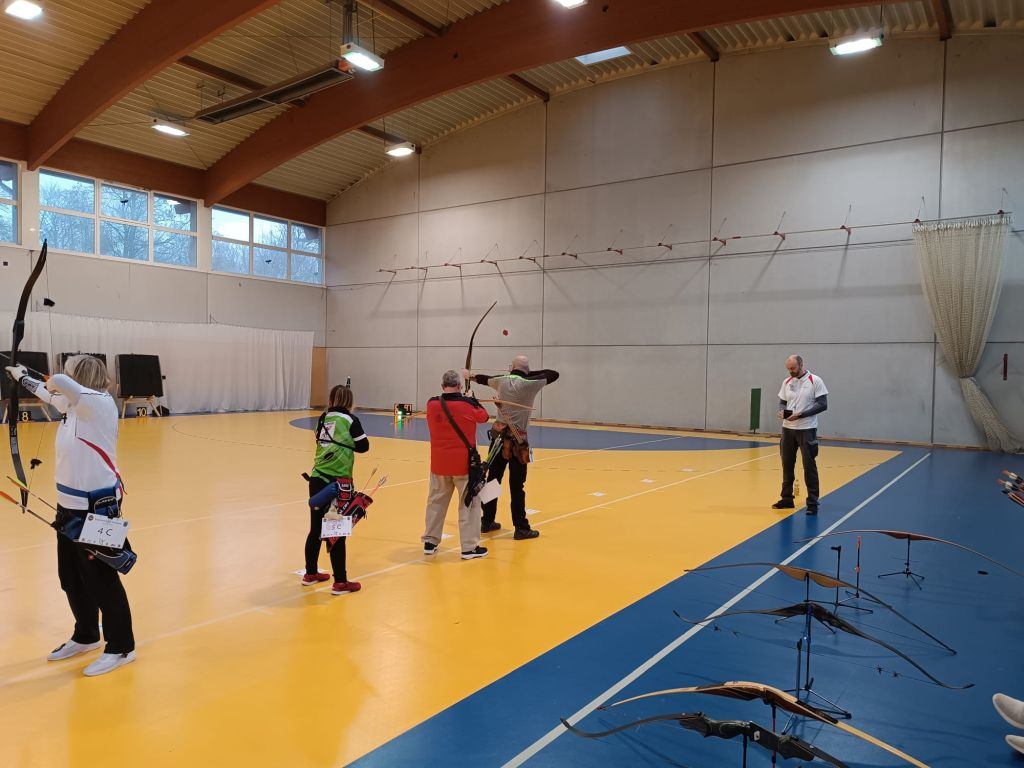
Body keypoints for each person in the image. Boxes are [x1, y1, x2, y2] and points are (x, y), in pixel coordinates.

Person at [5, 355, 135, 676]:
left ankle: (121, 648)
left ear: (80, 376)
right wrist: (22, 377)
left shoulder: (98, 403)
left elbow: (59, 384)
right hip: (68, 505)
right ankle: (87, 635)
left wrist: (49, 377)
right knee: (71, 577)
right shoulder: (74, 405)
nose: (63, 376)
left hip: (98, 506)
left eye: (69, 370)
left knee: (102, 579)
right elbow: (49, 391)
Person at [471, 355, 559, 539]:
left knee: (493, 480)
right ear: (526, 370)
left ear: (511, 368)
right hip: (518, 443)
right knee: (517, 486)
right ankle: (521, 528)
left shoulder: (501, 381)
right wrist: (526, 374)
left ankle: (487, 521)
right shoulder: (530, 384)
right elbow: (553, 374)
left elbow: (484, 379)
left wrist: (470, 376)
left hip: (498, 440)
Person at [303, 383, 368, 595]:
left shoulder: (323, 418)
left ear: (330, 400)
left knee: (316, 529)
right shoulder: (350, 420)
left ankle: (310, 573)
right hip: (338, 483)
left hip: (317, 479)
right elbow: (364, 446)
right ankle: (340, 582)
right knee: (336, 531)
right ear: (349, 402)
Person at [421, 369, 489, 560]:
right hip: (463, 466)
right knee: (469, 504)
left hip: (439, 464)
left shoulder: (432, 404)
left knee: (436, 503)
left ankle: (430, 542)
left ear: (442, 386)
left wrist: (466, 399)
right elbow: (483, 417)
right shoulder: (467, 405)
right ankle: (469, 547)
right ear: (459, 386)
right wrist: (472, 399)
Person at [772, 354, 828, 515]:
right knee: (787, 465)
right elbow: (783, 401)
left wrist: (801, 415)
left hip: (807, 430)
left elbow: (823, 405)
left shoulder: (815, 381)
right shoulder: (787, 382)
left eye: (793, 368)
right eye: (788, 369)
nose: (791, 371)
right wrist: (782, 411)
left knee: (809, 466)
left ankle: (812, 503)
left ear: (801, 364)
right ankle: (786, 499)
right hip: (787, 429)